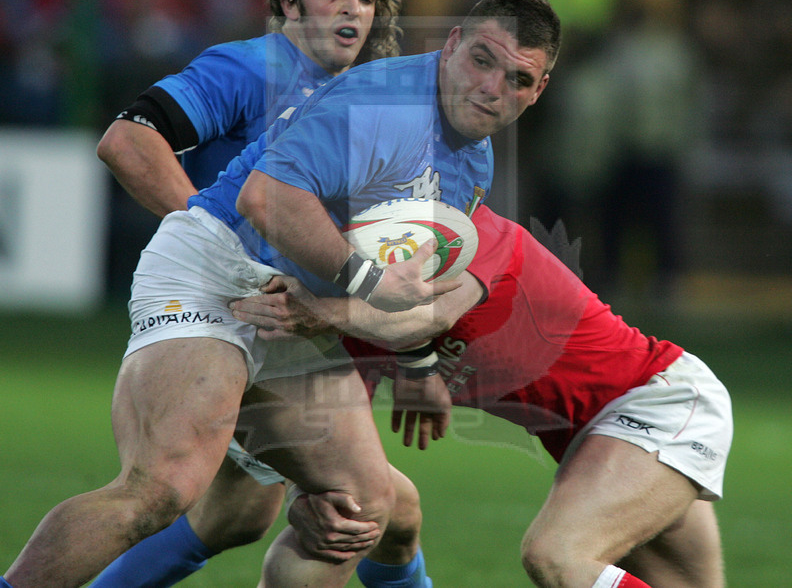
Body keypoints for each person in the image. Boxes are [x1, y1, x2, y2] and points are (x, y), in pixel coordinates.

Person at [0, 0, 561, 588]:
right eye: (481, 59)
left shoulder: (473, 160)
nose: (492, 88)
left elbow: (405, 268)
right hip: (216, 271)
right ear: (450, 45)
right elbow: (265, 199)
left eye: (518, 79)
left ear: (539, 89)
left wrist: (419, 365)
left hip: (291, 307)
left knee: (359, 510)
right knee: (162, 490)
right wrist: (365, 282)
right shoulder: (384, 106)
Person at [89, 0, 427, 588]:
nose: (353, 6)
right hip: (224, 312)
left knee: (240, 512)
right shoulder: (259, 65)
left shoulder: (362, 102)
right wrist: (203, 234)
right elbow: (129, 141)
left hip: (285, 324)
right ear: (291, 6)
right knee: (365, 507)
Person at [237, 203, 732, 588]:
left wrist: (325, 314)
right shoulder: (355, 330)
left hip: (658, 400)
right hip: (596, 446)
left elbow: (433, 317)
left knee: (556, 556)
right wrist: (308, 496)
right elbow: (339, 445)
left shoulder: (468, 234)